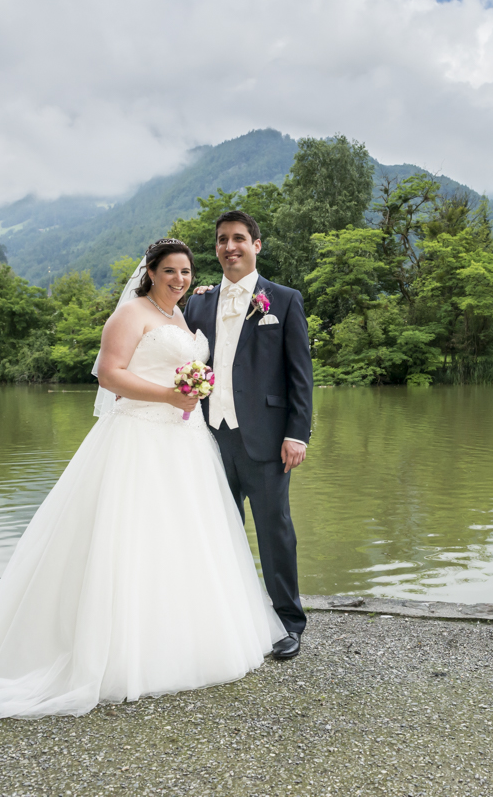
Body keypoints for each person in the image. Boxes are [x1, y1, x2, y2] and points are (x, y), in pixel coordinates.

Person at [0, 240, 286, 723]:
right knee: (125, 537)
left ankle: (186, 635)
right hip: (138, 438)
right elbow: (109, 376)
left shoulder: (182, 319)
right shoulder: (130, 315)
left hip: (185, 441)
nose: (179, 278)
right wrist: (167, 395)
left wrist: (189, 394)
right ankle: (113, 649)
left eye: (186, 271)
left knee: (179, 537)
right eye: (170, 271)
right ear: (150, 272)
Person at [183, 210, 314, 660]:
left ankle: (288, 622)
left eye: (239, 238)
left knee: (274, 530)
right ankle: (227, 619)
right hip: (207, 437)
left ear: (257, 245)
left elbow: (301, 376)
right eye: (222, 240)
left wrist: (298, 433)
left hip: (267, 437)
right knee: (219, 529)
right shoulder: (198, 302)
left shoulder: (284, 300)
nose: (229, 246)